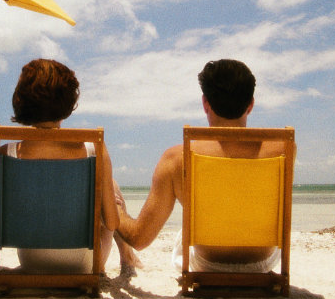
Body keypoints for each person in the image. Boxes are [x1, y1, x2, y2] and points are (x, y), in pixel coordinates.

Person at [0, 59, 139, 297]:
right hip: (85, 265)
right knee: (110, 184)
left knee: (105, 184)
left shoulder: (3, 154)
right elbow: (111, 224)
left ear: (21, 101)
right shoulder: (94, 149)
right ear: (69, 103)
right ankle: (128, 255)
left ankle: (126, 252)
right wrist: (110, 205)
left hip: (31, 262)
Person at [116, 59, 292, 272]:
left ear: (205, 103)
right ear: (251, 104)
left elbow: (139, 238)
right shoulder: (283, 149)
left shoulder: (176, 158)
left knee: (186, 231)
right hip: (261, 263)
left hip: (207, 264)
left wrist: (114, 208)